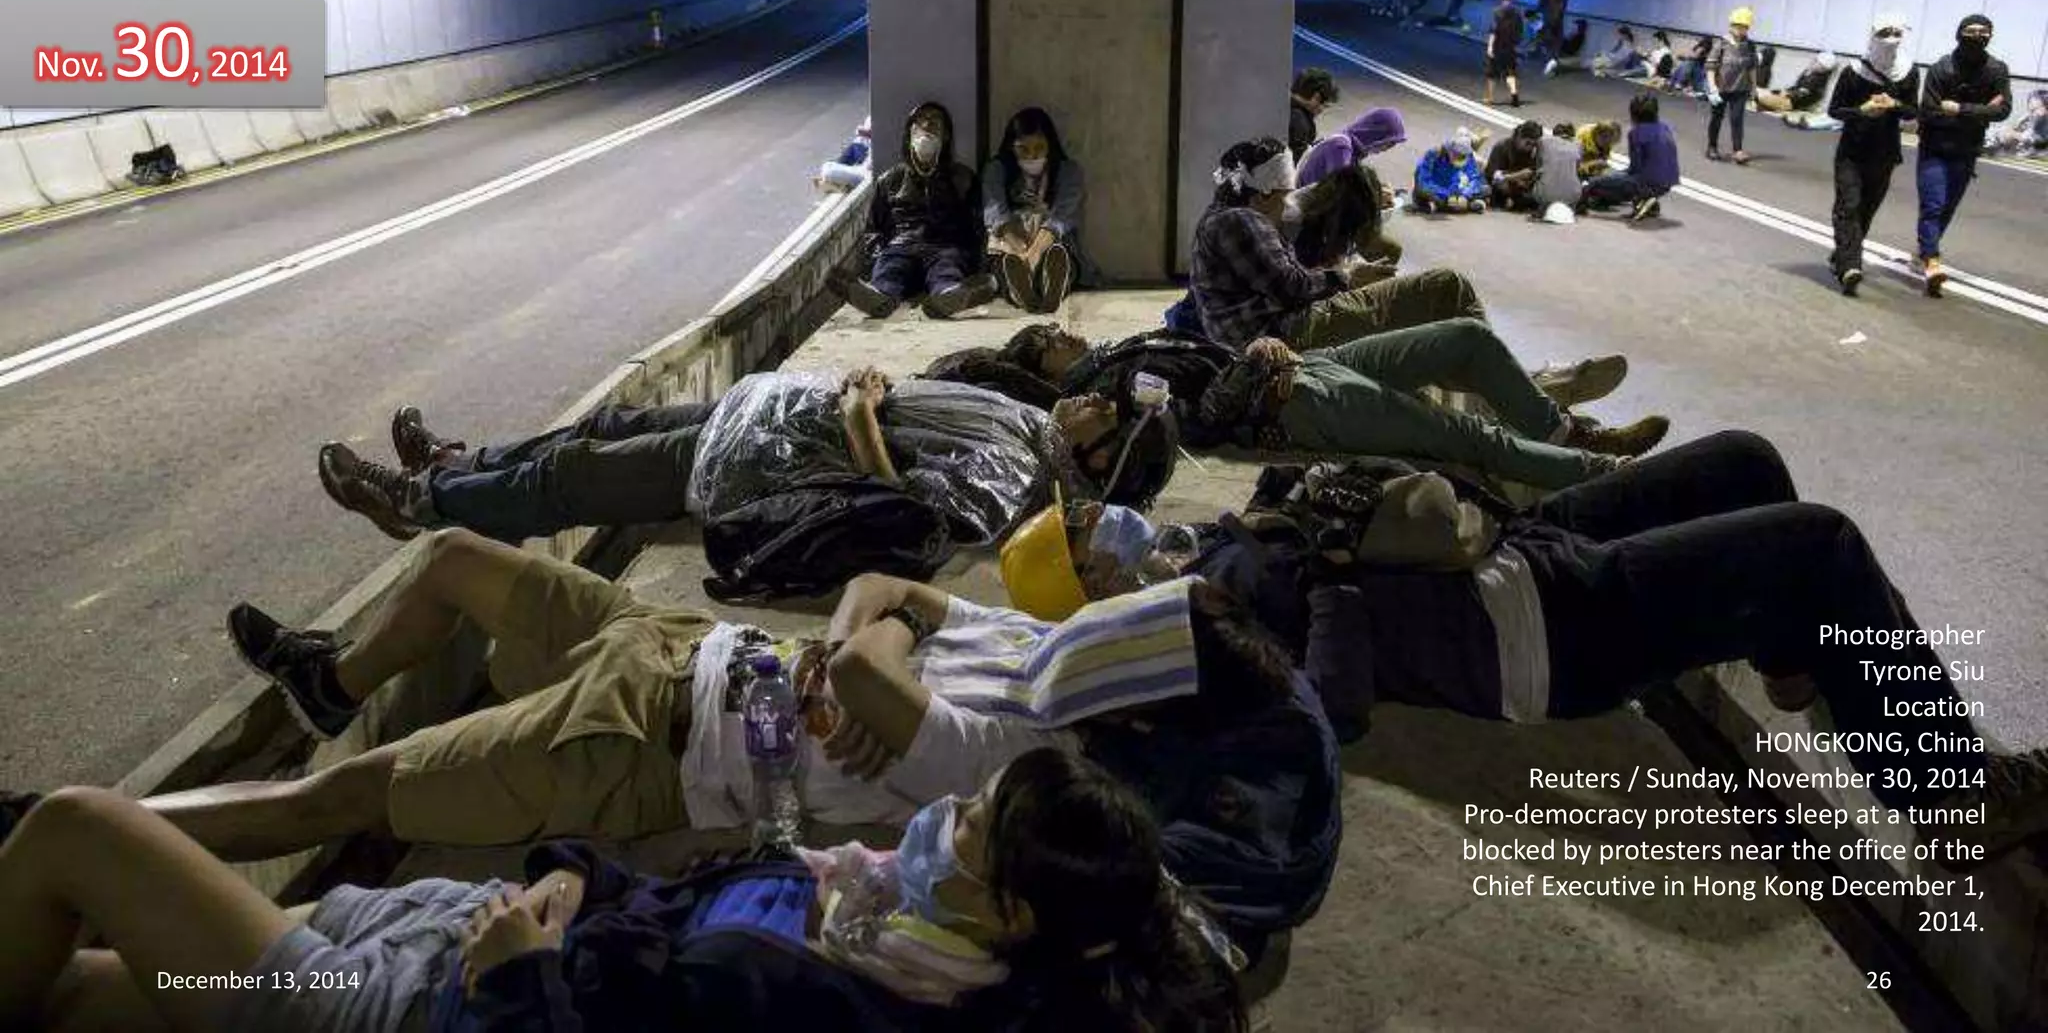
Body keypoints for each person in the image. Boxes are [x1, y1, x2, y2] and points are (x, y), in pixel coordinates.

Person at [1035, 431, 2048, 872]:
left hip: (1513, 552)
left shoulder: (1211, 551)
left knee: (1742, 462)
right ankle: (1948, 793)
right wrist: (1333, 565)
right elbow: (1328, 710)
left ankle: (1801, 646)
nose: (1111, 525)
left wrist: (1296, 503)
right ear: (1101, 593)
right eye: (1088, 544)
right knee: (1817, 539)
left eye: (1090, 518)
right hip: (1545, 632)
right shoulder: (1201, 632)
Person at [49, 541, 1284, 870]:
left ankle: (77, 834)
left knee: (340, 802)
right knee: (451, 560)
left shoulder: (1024, 767)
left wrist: (867, 651)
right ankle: (333, 682)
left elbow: (857, 666)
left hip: (641, 746)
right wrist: (884, 629)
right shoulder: (1035, 647)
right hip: (677, 643)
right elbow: (880, 592)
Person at [0, 751, 1251, 1032]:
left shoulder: (847, 1011)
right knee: (72, 999)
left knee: (78, 834)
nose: (943, 815)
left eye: (974, 824)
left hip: (414, 1009)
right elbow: (673, 899)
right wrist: (567, 878)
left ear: (1015, 915)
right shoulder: (878, 909)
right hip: (445, 936)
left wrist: (525, 973)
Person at [316, 368, 1178, 549]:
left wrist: (862, 412)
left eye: (1109, 411)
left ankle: (420, 503)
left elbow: (921, 510)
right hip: (769, 411)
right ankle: (459, 468)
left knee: (577, 480)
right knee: (602, 426)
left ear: (1101, 459)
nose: (1096, 396)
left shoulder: (1018, 473)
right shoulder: (1030, 424)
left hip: (766, 458)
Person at [964, 322, 1669, 490]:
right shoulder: (1119, 387)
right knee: (1461, 437)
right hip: (1295, 401)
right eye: (1052, 342)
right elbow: (1202, 419)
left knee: (1465, 339)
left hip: (1306, 365)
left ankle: (1567, 426)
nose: (1069, 334)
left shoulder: (1121, 352)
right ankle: (1602, 472)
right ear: (1046, 370)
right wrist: (1253, 363)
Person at [1187, 138, 1492, 351]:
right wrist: (1348, 278)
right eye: (1283, 195)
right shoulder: (1240, 221)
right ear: (1263, 193)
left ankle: (1484, 371)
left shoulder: (1232, 219)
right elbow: (1291, 287)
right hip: (1283, 331)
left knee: (1438, 299)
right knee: (1447, 287)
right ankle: (1489, 371)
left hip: (1284, 323)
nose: (1287, 204)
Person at [848, 102, 998, 320]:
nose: (927, 126)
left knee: (946, 271)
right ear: (909, 134)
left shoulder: (962, 178)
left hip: (944, 247)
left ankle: (948, 297)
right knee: (890, 268)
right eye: (920, 123)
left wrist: (973, 263)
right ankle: (880, 297)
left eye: (935, 123)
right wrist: (877, 258)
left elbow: (976, 228)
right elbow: (874, 229)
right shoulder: (890, 179)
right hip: (901, 246)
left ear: (946, 136)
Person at [1914, 14, 2010, 296]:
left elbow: (2003, 110)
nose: (1977, 36)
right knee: (1933, 204)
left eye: (1984, 31)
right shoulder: (1941, 68)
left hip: (1967, 151)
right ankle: (1932, 261)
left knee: (1947, 208)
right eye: (1971, 30)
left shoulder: (1996, 70)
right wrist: (1981, 112)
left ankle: (1924, 250)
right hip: (1935, 147)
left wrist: (1959, 109)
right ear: (1959, 33)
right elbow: (1929, 111)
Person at [1826, 15, 1920, 296]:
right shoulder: (1853, 72)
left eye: (1896, 33)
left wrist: (1895, 104)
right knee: (1848, 205)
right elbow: (1835, 110)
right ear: (1872, 35)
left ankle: (1841, 255)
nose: (1890, 38)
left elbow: (1913, 111)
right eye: (1884, 32)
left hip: (1885, 153)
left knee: (1866, 210)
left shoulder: (1908, 72)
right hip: (1852, 152)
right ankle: (1850, 267)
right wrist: (1861, 111)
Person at [983, 106, 1095, 313]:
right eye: (1023, 149)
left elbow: (1061, 219)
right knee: (1006, 268)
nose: (1032, 156)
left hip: (1052, 243)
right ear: (1011, 147)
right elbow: (996, 215)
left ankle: (1051, 288)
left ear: (1050, 145)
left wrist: (1034, 255)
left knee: (1061, 258)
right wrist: (1022, 255)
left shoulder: (1068, 171)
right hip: (1010, 246)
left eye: (1039, 147)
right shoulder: (996, 169)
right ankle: (1022, 293)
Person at [1294, 106, 1410, 267]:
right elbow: (1345, 196)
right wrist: (1377, 198)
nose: (1387, 149)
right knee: (1392, 250)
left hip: (1323, 216)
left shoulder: (1346, 147)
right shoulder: (1341, 148)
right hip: (1320, 222)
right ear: (1376, 134)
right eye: (1388, 143)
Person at [1579, 93, 1681, 223]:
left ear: (1633, 114)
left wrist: (1611, 178)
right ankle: (1646, 200)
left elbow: (1635, 168)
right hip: (1670, 180)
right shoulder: (1665, 126)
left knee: (1594, 183)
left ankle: (1580, 207)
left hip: (1648, 182)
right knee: (1619, 179)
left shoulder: (1636, 133)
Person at [1705, 7, 1762, 164]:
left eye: (1744, 27)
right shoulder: (1721, 44)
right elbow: (1711, 66)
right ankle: (1712, 147)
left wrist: (1754, 88)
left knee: (1737, 119)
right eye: (1738, 26)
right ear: (1731, 26)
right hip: (1721, 88)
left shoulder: (1750, 46)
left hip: (1741, 88)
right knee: (1717, 117)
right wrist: (1712, 87)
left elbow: (1752, 68)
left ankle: (1738, 150)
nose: (1741, 30)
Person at [1414, 128, 1489, 213]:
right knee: (1424, 191)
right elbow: (1424, 181)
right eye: (1457, 155)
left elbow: (1474, 178)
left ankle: (1461, 205)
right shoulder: (1434, 154)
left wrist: (1465, 194)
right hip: (1438, 188)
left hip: (1456, 189)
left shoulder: (1469, 156)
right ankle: (1437, 205)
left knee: (1485, 189)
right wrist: (1448, 194)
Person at [1484, 120, 1545, 211]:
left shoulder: (1534, 151)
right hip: (1502, 185)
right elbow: (1492, 175)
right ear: (1519, 137)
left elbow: (1536, 172)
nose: (1530, 148)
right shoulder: (1502, 147)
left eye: (1533, 145)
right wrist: (1515, 177)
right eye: (1527, 143)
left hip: (1522, 188)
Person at [1756, 50, 1837, 116]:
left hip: (1791, 103)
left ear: (1822, 67)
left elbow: (1800, 94)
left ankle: (1770, 105)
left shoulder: (1817, 81)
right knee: (1761, 92)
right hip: (1789, 99)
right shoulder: (1810, 74)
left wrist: (1783, 93)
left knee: (1761, 96)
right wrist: (1777, 92)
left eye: (1816, 61)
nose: (1813, 62)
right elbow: (1795, 88)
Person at [1288, 68, 1340, 162]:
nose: (1322, 110)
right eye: (1324, 105)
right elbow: (1299, 163)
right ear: (1316, 97)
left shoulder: (1288, 107)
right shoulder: (1300, 121)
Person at [1483, 0, 1524, 107]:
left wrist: (1490, 46)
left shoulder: (1497, 11)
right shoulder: (1517, 13)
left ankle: (1490, 97)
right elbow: (1520, 31)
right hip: (1510, 46)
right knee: (1510, 71)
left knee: (1492, 73)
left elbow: (1494, 30)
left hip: (1498, 45)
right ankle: (1514, 94)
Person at [1530, 124, 1584, 212]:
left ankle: (1542, 207)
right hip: (1572, 196)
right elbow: (1577, 170)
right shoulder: (1579, 145)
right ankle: (1571, 208)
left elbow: (1537, 167)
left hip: (1546, 194)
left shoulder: (1543, 141)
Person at [1985, 88, 2047, 158]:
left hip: (2036, 148)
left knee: (2007, 136)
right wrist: (2010, 131)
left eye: (2035, 109)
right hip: (2027, 145)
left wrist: (2013, 134)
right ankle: (1989, 146)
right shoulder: (2029, 116)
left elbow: (2033, 140)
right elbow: (2016, 126)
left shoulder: (2042, 119)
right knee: (2001, 132)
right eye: (2031, 109)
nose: (2032, 112)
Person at [1536, 0, 1570, 73]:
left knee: (1547, 39)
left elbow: (1542, 2)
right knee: (1557, 40)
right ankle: (1553, 59)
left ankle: (1551, 59)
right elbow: (1563, 5)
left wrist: (1538, 12)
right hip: (1558, 19)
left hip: (1548, 18)